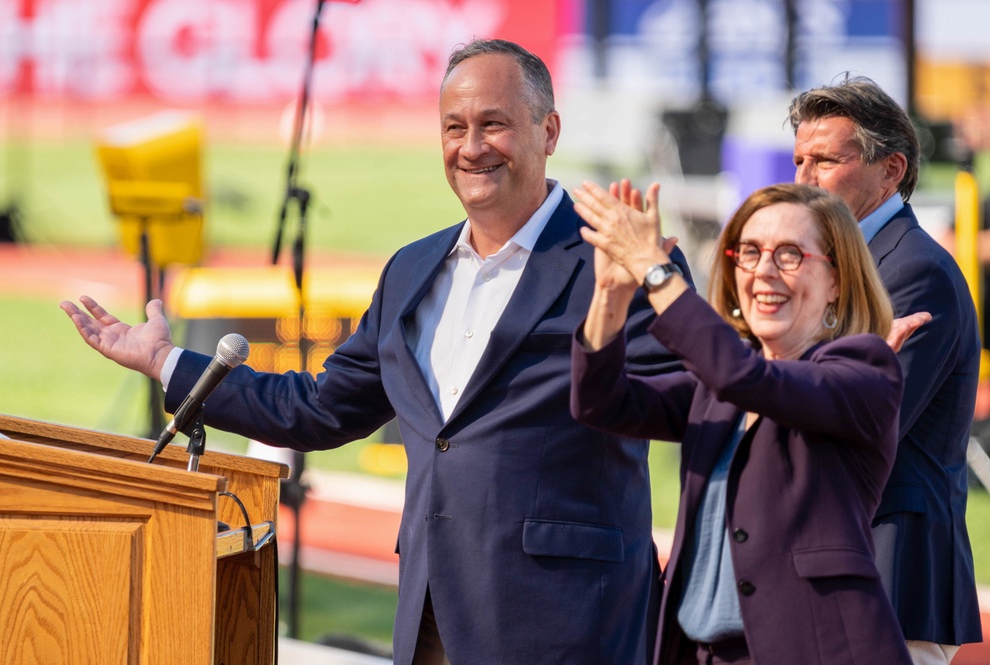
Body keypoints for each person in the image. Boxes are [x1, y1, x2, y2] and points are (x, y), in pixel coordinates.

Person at [61, 39, 692, 665]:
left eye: (493, 124)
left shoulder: (619, 255)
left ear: (548, 130)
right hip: (431, 618)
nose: (471, 147)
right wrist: (166, 362)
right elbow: (317, 410)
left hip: (574, 622)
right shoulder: (413, 269)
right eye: (454, 127)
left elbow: (683, 401)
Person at [570, 180, 912, 664]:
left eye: (790, 254)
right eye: (749, 252)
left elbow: (744, 376)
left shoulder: (864, 369)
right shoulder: (718, 390)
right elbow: (602, 403)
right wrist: (610, 293)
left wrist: (655, 271)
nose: (764, 271)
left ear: (836, 280)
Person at [789, 77, 982, 663]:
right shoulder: (847, 260)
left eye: (824, 160)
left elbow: (865, 429)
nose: (803, 179)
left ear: (891, 170)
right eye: (798, 160)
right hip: (847, 567)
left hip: (890, 575)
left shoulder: (913, 271)